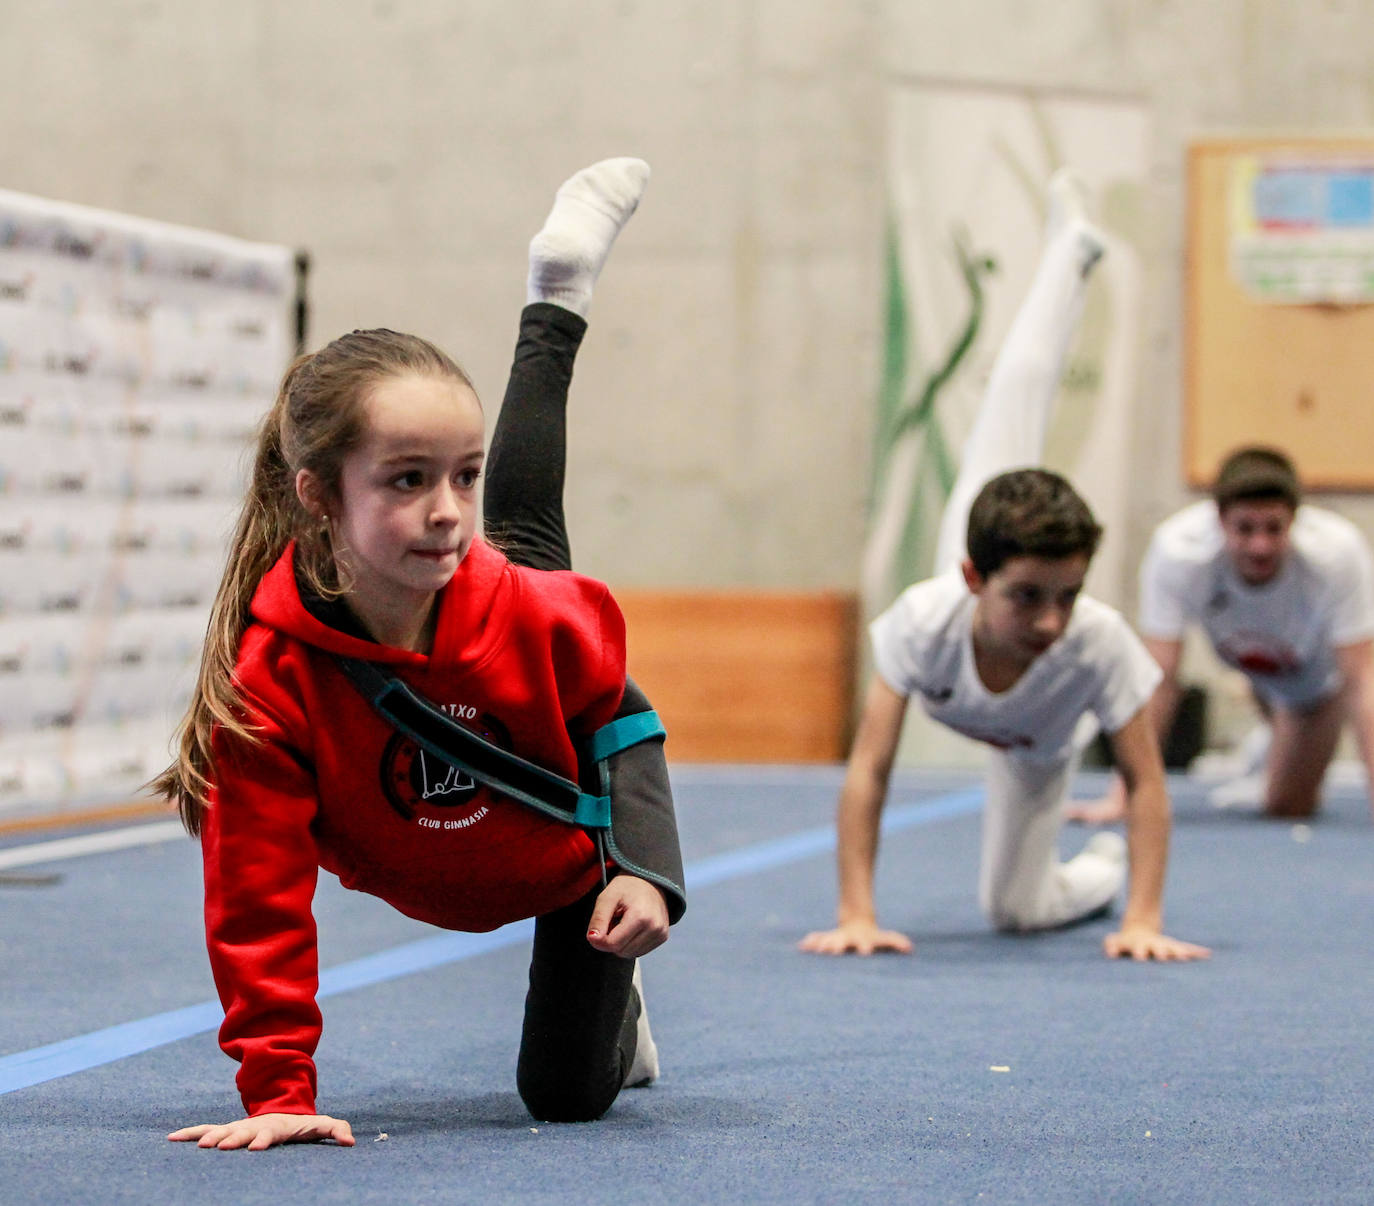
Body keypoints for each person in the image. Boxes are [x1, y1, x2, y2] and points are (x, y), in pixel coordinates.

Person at [158, 158, 686, 1152]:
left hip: (563, 861)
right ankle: (555, 302)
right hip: (442, 823)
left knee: (569, 1102)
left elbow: (626, 716)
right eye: (406, 479)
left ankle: (556, 300)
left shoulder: (538, 615)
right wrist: (278, 1089)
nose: (446, 512)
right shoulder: (271, 684)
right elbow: (255, 900)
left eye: (461, 475)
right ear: (319, 492)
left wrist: (645, 873)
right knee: (524, 528)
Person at [800, 171, 1210, 962]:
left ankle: (1099, 870)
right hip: (975, 575)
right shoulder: (928, 616)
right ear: (973, 577)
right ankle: (1071, 252)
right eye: (1028, 597)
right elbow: (871, 769)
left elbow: (1147, 784)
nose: (1050, 622)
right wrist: (858, 912)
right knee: (1012, 404)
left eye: (1068, 595)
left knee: (1019, 911)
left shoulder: (1097, 640)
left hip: (1038, 748)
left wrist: (1143, 920)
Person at [1067, 445, 1374, 824]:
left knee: (1286, 807)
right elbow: (1158, 679)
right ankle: (1269, 731)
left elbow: (1362, 681)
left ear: (1295, 521)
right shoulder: (1179, 552)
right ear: (1219, 520)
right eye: (1245, 529)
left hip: (1313, 687)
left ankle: (1275, 740)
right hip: (1255, 671)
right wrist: (1123, 797)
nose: (1259, 546)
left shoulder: (1337, 554)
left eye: (1274, 528)